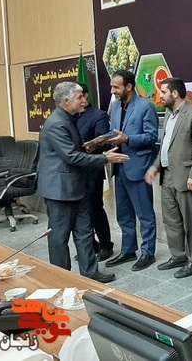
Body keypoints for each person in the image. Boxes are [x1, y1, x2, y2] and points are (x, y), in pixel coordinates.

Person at [37, 82, 127, 283]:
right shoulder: (57, 123)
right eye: (79, 97)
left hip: (78, 187)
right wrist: (104, 158)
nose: (84, 100)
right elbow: (71, 157)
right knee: (59, 238)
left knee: (85, 233)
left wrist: (86, 148)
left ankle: (90, 273)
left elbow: (72, 151)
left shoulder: (67, 118)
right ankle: (62, 278)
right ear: (66, 101)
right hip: (60, 191)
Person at [145, 78, 192, 279]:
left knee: (191, 222)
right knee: (171, 220)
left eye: (163, 92)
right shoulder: (169, 115)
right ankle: (178, 256)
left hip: (186, 177)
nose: (160, 96)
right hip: (166, 175)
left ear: (174, 93)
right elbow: (165, 146)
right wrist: (155, 167)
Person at [105, 70, 159, 271]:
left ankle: (148, 253)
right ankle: (128, 250)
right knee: (124, 214)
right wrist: (103, 142)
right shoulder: (115, 106)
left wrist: (127, 139)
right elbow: (113, 133)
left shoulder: (145, 106)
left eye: (116, 87)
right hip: (119, 168)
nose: (113, 90)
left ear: (128, 86)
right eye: (111, 86)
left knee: (145, 215)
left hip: (138, 167)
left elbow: (151, 136)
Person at [75, 83, 114, 261]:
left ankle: (106, 245)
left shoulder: (98, 115)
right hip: (75, 171)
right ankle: (90, 245)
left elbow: (103, 140)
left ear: (85, 96)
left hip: (92, 170)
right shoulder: (70, 116)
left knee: (95, 208)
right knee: (80, 212)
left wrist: (91, 146)